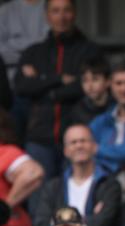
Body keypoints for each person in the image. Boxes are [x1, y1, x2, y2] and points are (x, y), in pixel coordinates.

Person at [14, 0, 99, 178]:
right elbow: (22, 86)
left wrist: (42, 84)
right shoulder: (33, 52)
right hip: (39, 138)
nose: (61, 17)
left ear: (74, 13)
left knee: (74, 198)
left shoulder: (90, 51)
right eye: (55, 11)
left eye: (66, 10)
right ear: (47, 16)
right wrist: (58, 79)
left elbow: (86, 87)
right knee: (40, 201)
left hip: (77, 138)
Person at [31, 124, 120, 226]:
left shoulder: (109, 185)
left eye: (83, 141)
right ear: (66, 151)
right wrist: (88, 219)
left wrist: (59, 225)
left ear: (94, 147)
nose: (79, 146)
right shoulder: (53, 187)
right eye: (73, 142)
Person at [0, 0, 48, 83]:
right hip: (9, 79)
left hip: (46, 76)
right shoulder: (5, 10)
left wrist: (13, 43)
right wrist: (26, 61)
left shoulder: (52, 7)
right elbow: (1, 51)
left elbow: (50, 45)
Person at [68, 55, 113, 126]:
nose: (89, 86)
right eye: (85, 80)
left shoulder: (118, 106)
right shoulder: (78, 111)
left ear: (108, 81)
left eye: (95, 79)